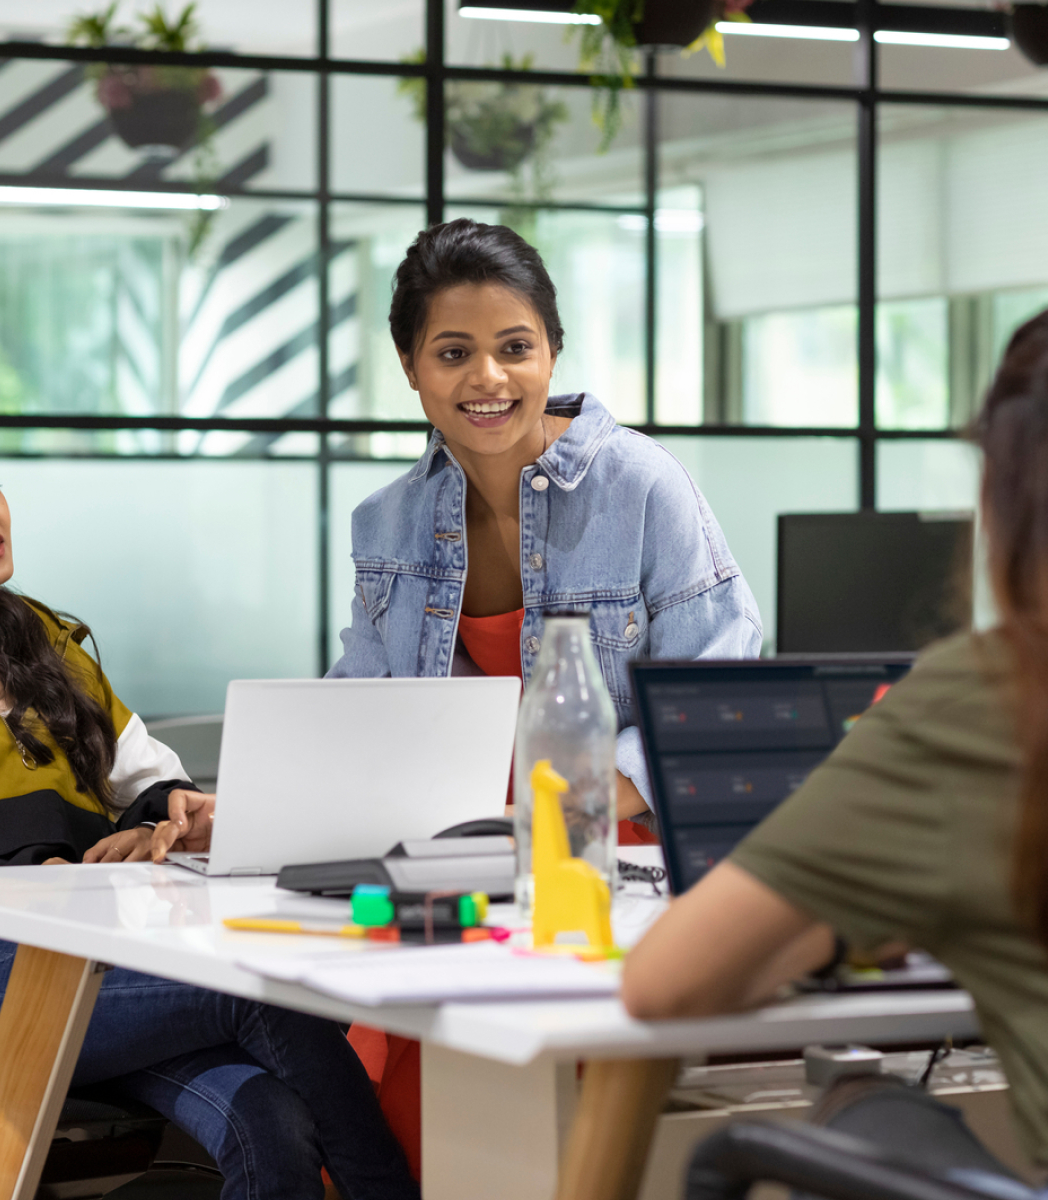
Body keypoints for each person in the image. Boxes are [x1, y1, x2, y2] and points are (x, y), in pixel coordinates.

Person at [623, 298, 1048, 1194]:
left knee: (859, 1102)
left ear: (1005, 500)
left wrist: (834, 931)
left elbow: (664, 983)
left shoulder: (992, 695)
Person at [0, 404, 417, 1200]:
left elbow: (150, 781)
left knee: (265, 1118)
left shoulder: (37, 639)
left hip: (95, 959)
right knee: (259, 988)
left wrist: (170, 817)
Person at [327, 217, 762, 1175]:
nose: (488, 378)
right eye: (454, 353)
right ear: (410, 367)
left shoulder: (641, 486)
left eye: (514, 348)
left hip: (613, 866)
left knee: (507, 1109)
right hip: (463, 865)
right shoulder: (388, 521)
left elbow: (718, 683)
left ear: (552, 351)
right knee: (364, 1083)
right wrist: (246, 804)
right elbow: (359, 705)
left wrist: (571, 813)